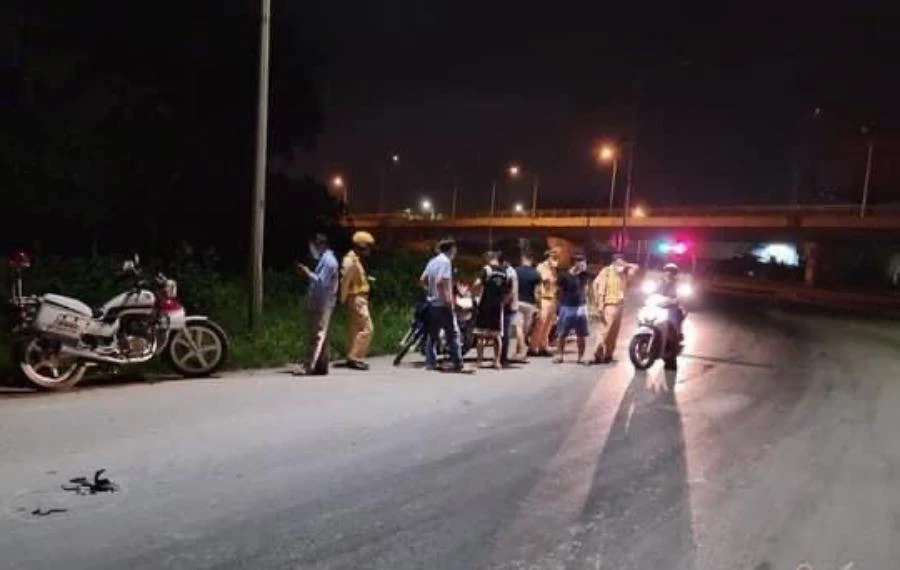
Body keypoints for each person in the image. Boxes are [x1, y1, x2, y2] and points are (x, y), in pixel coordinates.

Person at [293, 234, 339, 375]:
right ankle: (321, 366)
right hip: (320, 302)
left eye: (313, 246)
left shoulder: (329, 261)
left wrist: (307, 273)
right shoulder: (324, 259)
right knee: (322, 336)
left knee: (317, 336)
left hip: (323, 303)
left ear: (320, 244)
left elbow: (321, 282)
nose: (311, 250)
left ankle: (308, 366)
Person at [419, 238, 465, 372]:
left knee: (433, 334)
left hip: (432, 303)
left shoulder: (432, 261)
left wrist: (430, 292)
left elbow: (422, 279)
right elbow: (441, 282)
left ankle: (430, 362)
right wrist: (448, 301)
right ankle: (457, 363)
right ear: (451, 249)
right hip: (443, 304)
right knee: (453, 333)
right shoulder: (445, 262)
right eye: (455, 249)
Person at [591, 253, 640, 364]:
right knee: (604, 331)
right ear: (613, 262)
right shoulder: (606, 272)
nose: (621, 265)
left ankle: (608, 355)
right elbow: (600, 289)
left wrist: (626, 264)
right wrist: (600, 305)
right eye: (618, 263)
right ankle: (597, 354)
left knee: (614, 332)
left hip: (619, 305)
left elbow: (636, 268)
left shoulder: (623, 274)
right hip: (609, 305)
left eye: (622, 262)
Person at [341, 231, 376, 370]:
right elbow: (345, 281)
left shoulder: (356, 260)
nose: (369, 250)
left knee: (355, 329)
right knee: (368, 329)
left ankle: (352, 356)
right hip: (357, 298)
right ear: (361, 246)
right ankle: (354, 357)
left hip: (359, 298)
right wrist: (342, 299)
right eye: (367, 247)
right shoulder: (351, 261)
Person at [472, 250, 511, 369]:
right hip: (497, 306)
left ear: (488, 259)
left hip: (485, 304)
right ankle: (497, 361)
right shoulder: (504, 272)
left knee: (480, 334)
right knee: (497, 335)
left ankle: (479, 361)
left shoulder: (486, 270)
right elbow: (508, 291)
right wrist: (503, 302)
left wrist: (473, 293)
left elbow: (477, 283)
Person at [553, 252, 592, 364]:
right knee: (562, 333)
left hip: (580, 307)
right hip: (567, 306)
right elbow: (558, 290)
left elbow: (586, 285)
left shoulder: (584, 275)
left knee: (581, 333)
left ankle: (581, 357)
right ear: (575, 263)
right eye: (582, 262)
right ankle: (560, 355)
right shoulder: (564, 276)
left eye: (584, 262)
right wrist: (558, 305)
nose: (584, 264)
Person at [530, 248, 560, 356]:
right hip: (543, 299)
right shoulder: (541, 267)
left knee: (549, 325)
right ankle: (534, 347)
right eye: (553, 257)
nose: (556, 259)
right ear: (548, 256)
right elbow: (545, 282)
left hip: (552, 299)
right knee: (540, 324)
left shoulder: (554, 269)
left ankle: (543, 346)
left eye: (557, 257)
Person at [513, 251, 540, 360]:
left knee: (518, 327)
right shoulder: (536, 273)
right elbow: (537, 291)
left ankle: (522, 350)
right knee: (525, 328)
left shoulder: (516, 271)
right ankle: (519, 351)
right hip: (530, 303)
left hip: (518, 301)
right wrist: (538, 305)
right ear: (531, 260)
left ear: (522, 259)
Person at [500, 255, 519, 366]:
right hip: (512, 306)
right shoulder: (512, 271)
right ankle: (508, 354)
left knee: (507, 332)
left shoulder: (509, 273)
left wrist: (504, 303)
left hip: (509, 306)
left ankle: (504, 356)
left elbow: (512, 291)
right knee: (511, 331)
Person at [659, 262, 685, 337]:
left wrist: (676, 300)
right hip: (659, 305)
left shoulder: (678, 284)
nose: (669, 272)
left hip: (672, 306)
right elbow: (652, 291)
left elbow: (680, 295)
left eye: (671, 271)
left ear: (675, 273)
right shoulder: (660, 282)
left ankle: (677, 334)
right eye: (667, 270)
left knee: (675, 319)